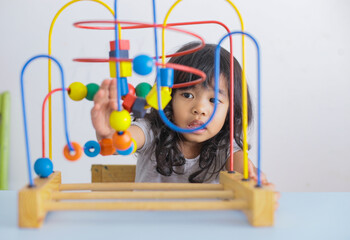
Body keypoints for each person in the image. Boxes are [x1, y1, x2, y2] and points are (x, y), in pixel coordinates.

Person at [91, 42, 264, 184]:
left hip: (203, 226)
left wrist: (253, 177)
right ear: (169, 98)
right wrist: (112, 133)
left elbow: (243, 166)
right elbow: (123, 143)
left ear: (230, 110)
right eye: (187, 95)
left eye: (213, 100)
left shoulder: (225, 147)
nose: (200, 109)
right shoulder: (152, 131)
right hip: (148, 224)